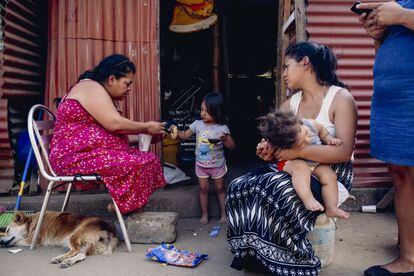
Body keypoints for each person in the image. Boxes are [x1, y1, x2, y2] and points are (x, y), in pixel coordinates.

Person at [226, 42, 357, 275]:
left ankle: (290, 259)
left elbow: (343, 152)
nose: (283, 74)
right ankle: (255, 253)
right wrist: (267, 152)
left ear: (305, 63)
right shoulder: (290, 104)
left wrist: (298, 153)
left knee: (274, 189)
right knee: (240, 185)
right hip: (295, 169)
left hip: (330, 174)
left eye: (287, 67)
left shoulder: (340, 98)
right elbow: (278, 147)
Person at [49, 54, 167, 214]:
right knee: (141, 163)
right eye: (127, 83)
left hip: (87, 154)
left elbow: (108, 135)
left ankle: (128, 207)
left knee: (149, 160)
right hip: (73, 157)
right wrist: (146, 128)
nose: (129, 88)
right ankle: (126, 207)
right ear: (112, 79)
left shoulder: (96, 91)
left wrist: (147, 136)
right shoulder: (90, 87)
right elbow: (114, 124)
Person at [357, 1, 414, 275]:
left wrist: (402, 16)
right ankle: (409, 254)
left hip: (410, 96)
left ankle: (410, 258)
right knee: (400, 172)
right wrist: (379, 36)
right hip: (392, 97)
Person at [257, 110, 349, 218]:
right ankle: (307, 198)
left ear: (300, 123)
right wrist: (264, 148)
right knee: (301, 168)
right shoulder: (281, 139)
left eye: (306, 133)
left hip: (315, 165)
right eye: (301, 144)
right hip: (292, 163)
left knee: (329, 175)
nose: (308, 139)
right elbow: (270, 149)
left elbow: (323, 132)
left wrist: (329, 139)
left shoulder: (311, 124)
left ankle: (331, 207)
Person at [172, 92, 235, 224]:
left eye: (207, 111)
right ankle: (204, 214)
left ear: (216, 111)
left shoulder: (223, 128)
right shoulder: (197, 124)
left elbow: (232, 146)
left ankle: (224, 214)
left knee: (220, 188)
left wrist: (224, 139)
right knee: (203, 189)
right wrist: (176, 131)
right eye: (202, 110)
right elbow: (184, 135)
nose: (203, 113)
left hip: (217, 164)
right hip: (201, 165)